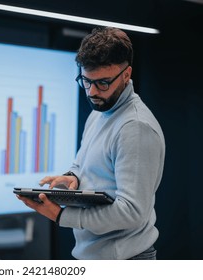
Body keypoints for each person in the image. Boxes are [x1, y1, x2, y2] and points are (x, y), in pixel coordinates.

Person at [17, 27, 165, 260]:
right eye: (86, 81)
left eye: (103, 83)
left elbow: (132, 213)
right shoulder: (99, 112)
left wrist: (61, 216)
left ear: (126, 75)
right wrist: (73, 177)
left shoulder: (135, 127)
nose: (93, 92)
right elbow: (82, 164)